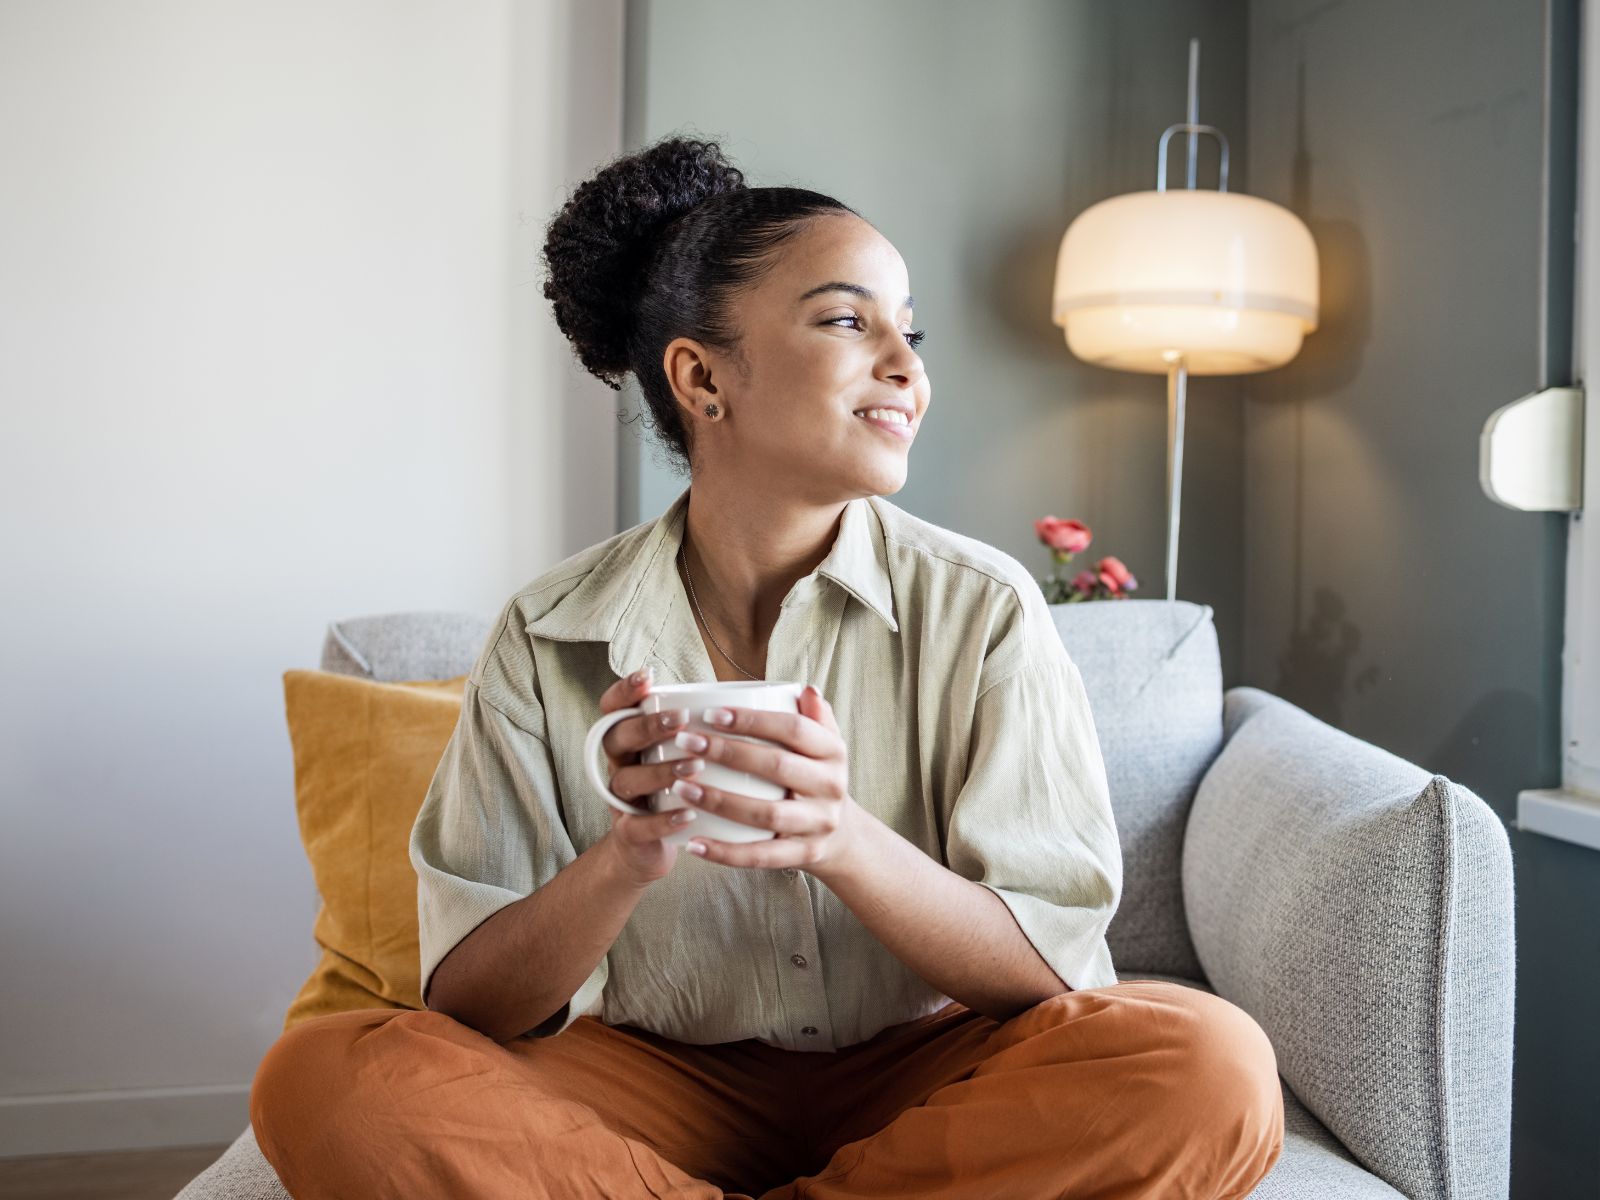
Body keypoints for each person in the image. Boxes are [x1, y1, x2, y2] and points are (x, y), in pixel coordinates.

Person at [249, 134, 1284, 1199]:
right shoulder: (545, 631)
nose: (907, 365)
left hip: (926, 1075)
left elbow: (1047, 969)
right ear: (700, 376)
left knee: (1208, 1065)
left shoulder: (983, 608)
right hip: (645, 1076)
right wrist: (626, 857)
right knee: (328, 1077)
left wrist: (841, 840)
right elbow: (470, 1005)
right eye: (849, 320)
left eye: (909, 330)